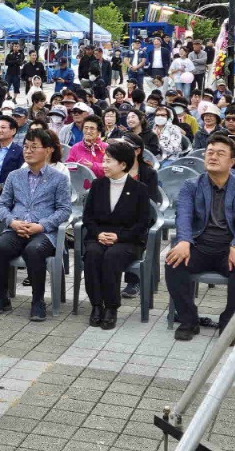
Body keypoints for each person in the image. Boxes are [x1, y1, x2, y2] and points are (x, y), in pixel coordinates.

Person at [165, 134, 235, 341]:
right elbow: (183, 215)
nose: (213, 157)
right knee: (173, 262)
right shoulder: (191, 185)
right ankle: (189, 320)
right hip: (199, 245)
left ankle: (229, 322)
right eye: (210, 152)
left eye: (220, 153)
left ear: (232, 161)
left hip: (229, 247)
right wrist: (183, 241)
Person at [0, 129, 72, 321]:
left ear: (48, 150)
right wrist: (12, 222)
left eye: (34, 147)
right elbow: (2, 205)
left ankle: (37, 301)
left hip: (43, 232)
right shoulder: (14, 176)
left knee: (34, 250)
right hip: (16, 228)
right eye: (26, 146)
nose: (28, 151)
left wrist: (41, 225)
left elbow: (65, 210)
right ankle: (2, 297)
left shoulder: (59, 178)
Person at [81, 141, 150, 329]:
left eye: (109, 161)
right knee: (93, 254)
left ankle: (111, 307)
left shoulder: (139, 189)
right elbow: (87, 217)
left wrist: (119, 237)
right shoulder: (98, 185)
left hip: (128, 240)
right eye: (104, 160)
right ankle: (96, 305)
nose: (104, 165)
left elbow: (143, 223)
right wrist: (98, 234)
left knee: (111, 257)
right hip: (99, 236)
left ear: (123, 164)